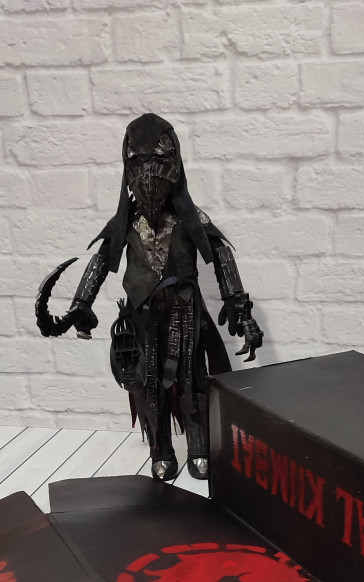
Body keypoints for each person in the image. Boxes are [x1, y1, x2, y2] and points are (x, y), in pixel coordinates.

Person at [35, 113, 263, 481]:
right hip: (140, 317)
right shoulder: (124, 224)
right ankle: (161, 451)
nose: (148, 172)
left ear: (174, 163)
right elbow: (101, 261)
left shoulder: (192, 220)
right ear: (127, 167)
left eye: (157, 160)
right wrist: (80, 306)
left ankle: (199, 448)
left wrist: (238, 304)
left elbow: (220, 254)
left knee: (193, 381)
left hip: (186, 312)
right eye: (138, 162)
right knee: (146, 386)